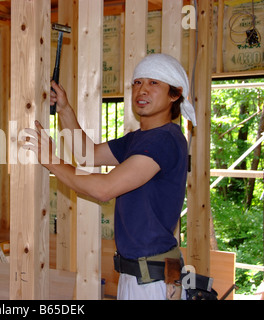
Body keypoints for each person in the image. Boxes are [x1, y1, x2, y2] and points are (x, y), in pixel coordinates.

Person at [22, 53, 197, 300]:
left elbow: (104, 188)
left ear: (174, 94)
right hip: (139, 274)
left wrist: (51, 160)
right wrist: (65, 110)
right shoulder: (141, 138)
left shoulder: (164, 140)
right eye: (138, 82)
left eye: (153, 83)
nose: (142, 90)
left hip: (152, 281)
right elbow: (88, 155)